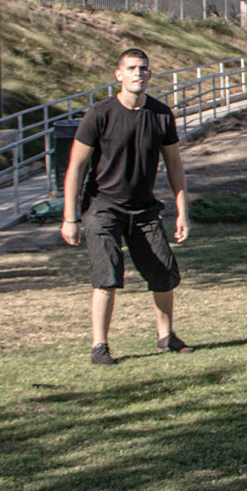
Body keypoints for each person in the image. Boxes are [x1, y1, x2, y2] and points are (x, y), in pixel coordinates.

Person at [61, 47, 193, 365]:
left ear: (150, 74)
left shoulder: (161, 115)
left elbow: (174, 165)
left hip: (144, 209)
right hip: (102, 207)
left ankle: (166, 337)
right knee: (107, 275)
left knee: (164, 273)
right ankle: (100, 346)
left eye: (143, 68)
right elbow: (76, 166)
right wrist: (70, 217)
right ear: (118, 74)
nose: (138, 73)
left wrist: (182, 211)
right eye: (132, 68)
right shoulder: (100, 114)